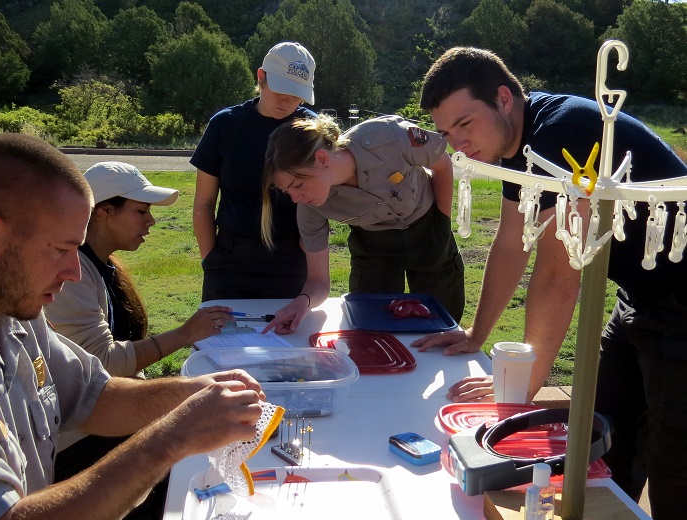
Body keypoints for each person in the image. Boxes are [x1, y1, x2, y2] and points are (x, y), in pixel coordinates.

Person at [413, 46, 687, 519]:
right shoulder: (514, 143)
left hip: (683, 302)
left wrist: (529, 381)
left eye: (464, 124)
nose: (458, 144)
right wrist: (476, 334)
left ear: (502, 98)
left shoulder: (565, 133)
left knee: (674, 460)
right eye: (446, 132)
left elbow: (560, 274)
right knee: (598, 440)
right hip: (640, 297)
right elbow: (509, 241)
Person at [0, 132, 264, 519]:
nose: (74, 272)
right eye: (59, 249)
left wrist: (190, 394)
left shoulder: (19, 318)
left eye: (77, 249)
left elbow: (93, 394)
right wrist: (171, 438)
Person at [260, 114, 465, 334]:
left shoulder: (389, 137)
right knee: (372, 327)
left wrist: (442, 224)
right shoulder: (310, 207)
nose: (295, 198)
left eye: (298, 184)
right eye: (287, 191)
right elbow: (318, 281)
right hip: (374, 247)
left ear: (322, 159)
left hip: (428, 229)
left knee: (443, 325)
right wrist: (303, 302)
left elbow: (442, 164)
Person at [45, 161, 234, 378]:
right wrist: (185, 333)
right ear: (105, 211)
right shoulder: (71, 275)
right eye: (141, 211)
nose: (151, 221)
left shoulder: (106, 264)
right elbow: (103, 363)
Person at [191, 41, 317, 302]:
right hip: (229, 259)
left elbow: (324, 198)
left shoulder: (312, 130)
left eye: (295, 94)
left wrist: (307, 254)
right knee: (222, 340)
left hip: (291, 259)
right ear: (261, 77)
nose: (286, 101)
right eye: (280, 89)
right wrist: (210, 260)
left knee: (288, 340)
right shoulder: (225, 125)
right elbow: (203, 202)